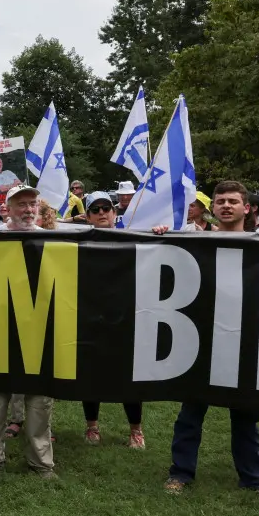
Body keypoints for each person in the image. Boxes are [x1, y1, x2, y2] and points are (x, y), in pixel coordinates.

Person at [165, 180, 259, 507]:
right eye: (220, 201)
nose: (226, 205)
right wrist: (159, 234)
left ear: (247, 208)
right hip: (202, 340)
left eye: (233, 201)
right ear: (213, 207)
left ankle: (254, 480)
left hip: (247, 343)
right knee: (191, 412)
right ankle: (180, 473)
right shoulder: (195, 242)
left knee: (245, 416)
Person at [0, 185, 56, 478]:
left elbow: (97, 233)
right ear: (7, 208)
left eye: (32, 203)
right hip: (1, 328)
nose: (27, 209)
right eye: (21, 204)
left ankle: (42, 463)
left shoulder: (51, 237)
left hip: (39, 329)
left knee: (39, 401)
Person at [78, 191, 145, 449]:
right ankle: (92, 426)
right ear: (87, 215)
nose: (103, 212)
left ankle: (136, 430)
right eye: (96, 209)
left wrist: (160, 230)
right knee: (91, 374)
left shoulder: (130, 238)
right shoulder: (77, 240)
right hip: (90, 316)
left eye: (107, 208)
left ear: (115, 213)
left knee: (128, 375)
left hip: (125, 316)